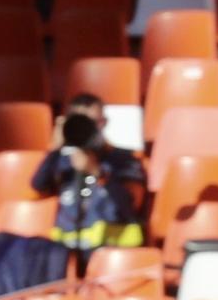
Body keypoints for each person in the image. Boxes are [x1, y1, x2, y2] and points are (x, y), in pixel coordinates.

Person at [29, 94, 146, 270]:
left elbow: (130, 205)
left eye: (93, 123)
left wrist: (97, 172)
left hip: (111, 256)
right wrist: (54, 149)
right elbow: (38, 186)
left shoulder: (124, 160)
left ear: (104, 123)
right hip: (66, 256)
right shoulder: (63, 161)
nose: (87, 129)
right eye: (80, 123)